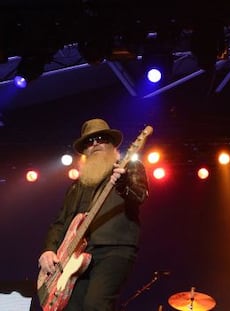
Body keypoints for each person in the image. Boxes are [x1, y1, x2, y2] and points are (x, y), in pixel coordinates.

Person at [37, 118, 149, 311]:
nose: (95, 143)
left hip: (114, 248)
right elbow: (60, 222)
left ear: (112, 144)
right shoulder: (76, 185)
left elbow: (140, 195)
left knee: (95, 305)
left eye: (101, 138)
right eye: (90, 141)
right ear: (84, 152)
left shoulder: (128, 168)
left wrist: (122, 183)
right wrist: (48, 250)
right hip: (75, 256)